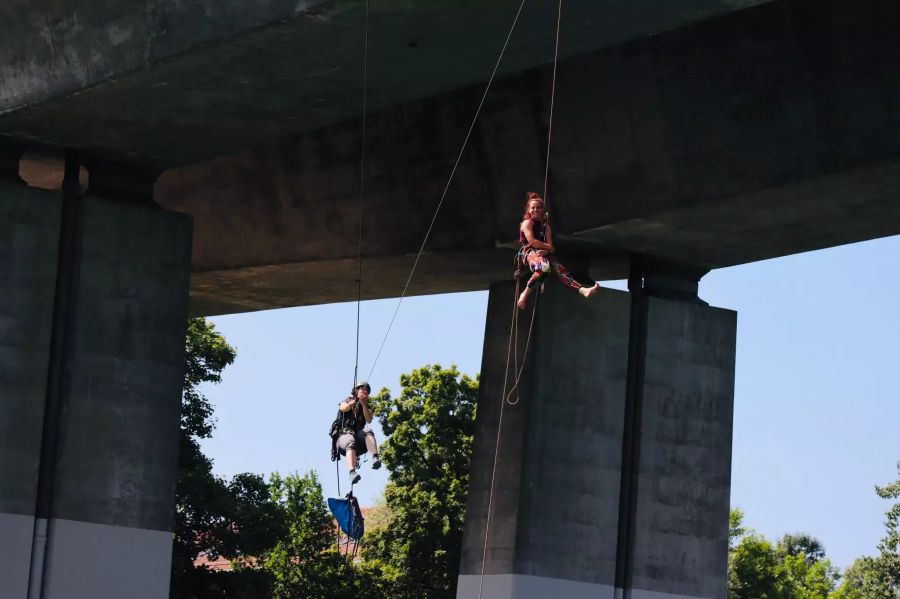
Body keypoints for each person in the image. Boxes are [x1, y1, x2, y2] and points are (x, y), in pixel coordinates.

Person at [517, 191, 600, 309]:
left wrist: (547, 251)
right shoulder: (527, 223)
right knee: (544, 268)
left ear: (542, 210)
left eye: (538, 208)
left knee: (561, 270)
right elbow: (532, 242)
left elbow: (552, 248)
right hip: (529, 252)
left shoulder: (546, 227)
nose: (536, 210)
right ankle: (524, 294)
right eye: (533, 208)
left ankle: (582, 291)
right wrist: (547, 248)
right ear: (529, 210)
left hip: (543, 253)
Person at [335, 381, 380, 485]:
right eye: (362, 389)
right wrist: (351, 404)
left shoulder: (367, 407)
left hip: (359, 441)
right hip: (344, 438)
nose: (364, 392)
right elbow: (343, 408)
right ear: (356, 390)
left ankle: (375, 457)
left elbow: (368, 419)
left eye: (366, 391)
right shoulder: (346, 401)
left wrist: (363, 404)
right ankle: (352, 472)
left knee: (368, 430)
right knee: (350, 440)